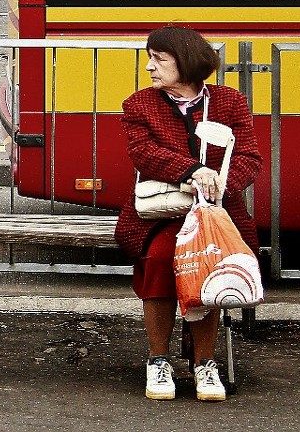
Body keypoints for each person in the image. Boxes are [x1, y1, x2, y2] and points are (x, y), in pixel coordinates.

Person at [117, 25, 262, 402]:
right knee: (163, 258)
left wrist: (220, 187)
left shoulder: (230, 102)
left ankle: (205, 363)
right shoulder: (140, 105)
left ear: (185, 62)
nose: (149, 67)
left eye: (158, 59)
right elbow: (142, 153)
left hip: (218, 212)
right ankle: (158, 359)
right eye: (150, 58)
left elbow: (250, 157)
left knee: (210, 260)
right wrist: (191, 173)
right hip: (164, 211)